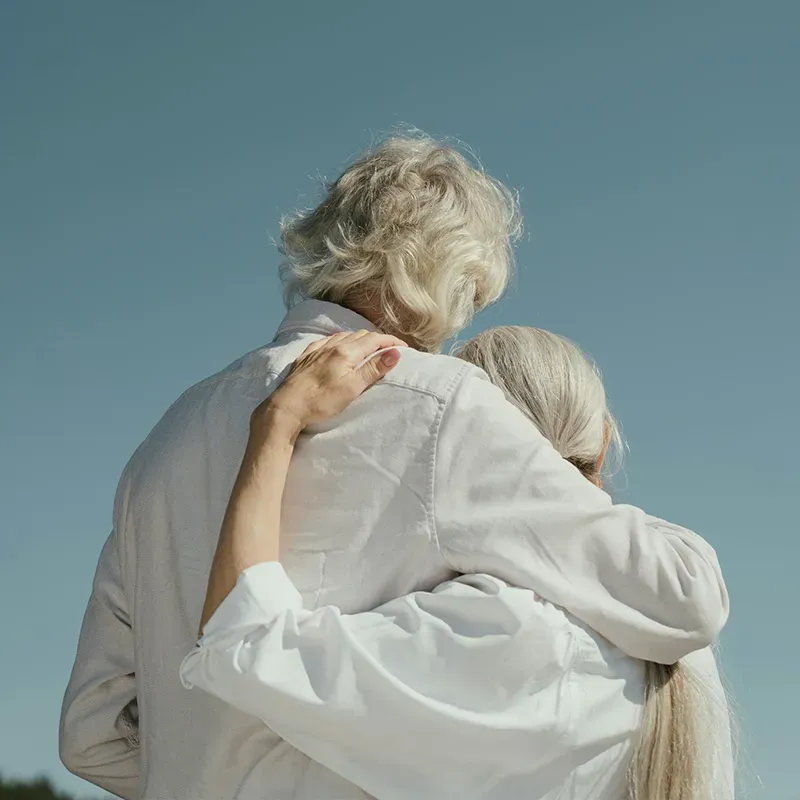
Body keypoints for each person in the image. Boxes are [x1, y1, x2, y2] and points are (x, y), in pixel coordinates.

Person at [60, 133, 728, 800]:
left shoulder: (165, 440)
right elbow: (683, 596)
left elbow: (92, 734)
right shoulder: (444, 405)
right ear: (460, 285)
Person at [181, 328, 735, 800]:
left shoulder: (506, 631)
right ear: (606, 441)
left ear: (479, 442)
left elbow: (243, 644)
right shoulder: (690, 652)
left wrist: (278, 423)